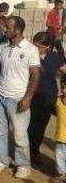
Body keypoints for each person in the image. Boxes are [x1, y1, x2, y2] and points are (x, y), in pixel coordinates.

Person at [0, 16, 40, 179]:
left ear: (18, 30)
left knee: (19, 133)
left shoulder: (30, 49)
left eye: (8, 28)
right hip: (0, 95)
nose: (4, 30)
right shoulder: (2, 46)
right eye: (5, 27)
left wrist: (28, 98)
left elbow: (35, 75)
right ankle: (0, 160)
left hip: (18, 98)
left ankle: (23, 165)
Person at [28, 32, 66, 163]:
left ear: (48, 46)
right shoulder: (28, 55)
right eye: (34, 45)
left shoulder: (55, 57)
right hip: (30, 96)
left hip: (48, 98)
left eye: (38, 46)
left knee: (40, 126)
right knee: (30, 125)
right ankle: (28, 151)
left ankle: (34, 152)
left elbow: (64, 71)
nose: (35, 48)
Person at [51, 76, 66, 183]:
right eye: (62, 87)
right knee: (59, 155)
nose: (64, 90)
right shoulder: (58, 101)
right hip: (60, 135)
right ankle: (61, 174)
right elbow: (55, 112)